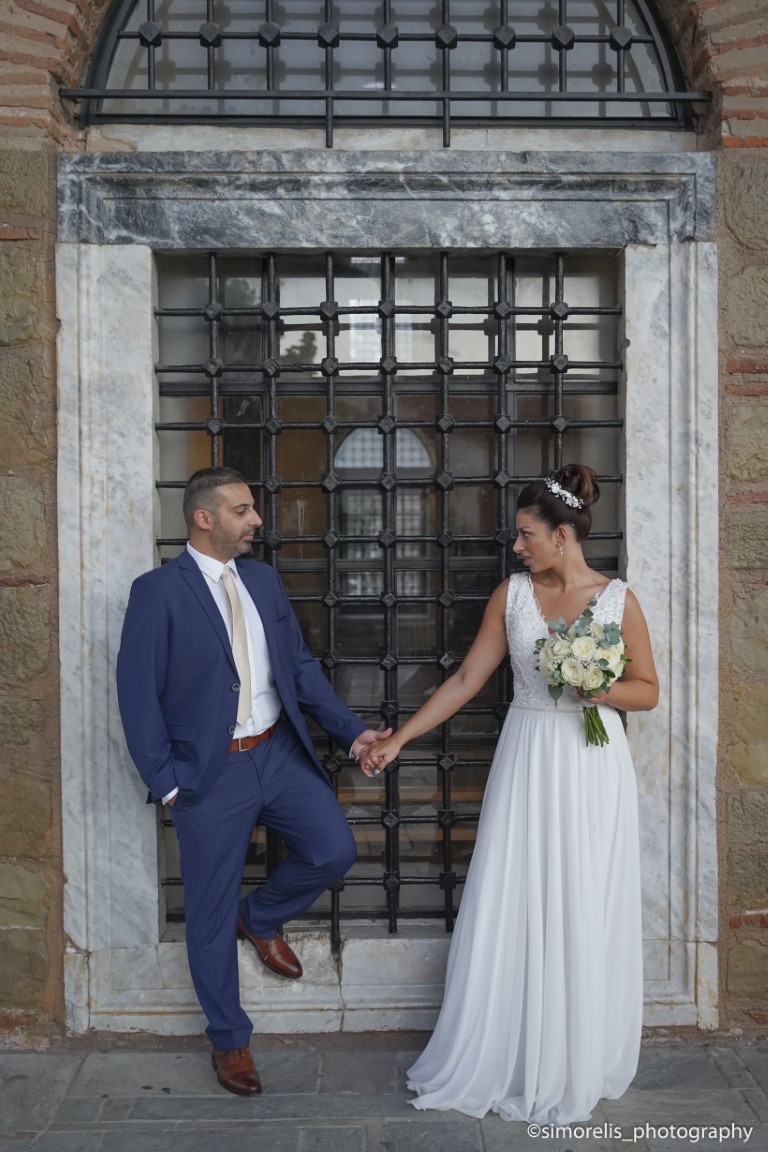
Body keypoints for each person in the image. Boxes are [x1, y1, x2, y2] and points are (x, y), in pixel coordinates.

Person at [362, 464, 659, 1124]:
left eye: (526, 534)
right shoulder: (512, 595)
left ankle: (574, 1053)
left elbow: (648, 690)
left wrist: (597, 688)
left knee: (582, 895)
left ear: (562, 536)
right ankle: (514, 1049)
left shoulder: (618, 600)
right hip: (527, 756)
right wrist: (401, 738)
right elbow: (466, 678)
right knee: (517, 891)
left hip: (592, 764)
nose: (517, 546)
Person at [116, 467, 390, 1097]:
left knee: (333, 849)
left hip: (277, 752)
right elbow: (136, 695)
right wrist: (168, 782)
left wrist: (353, 734)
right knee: (208, 915)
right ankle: (229, 1040)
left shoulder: (263, 580)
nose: (256, 520)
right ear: (203, 518)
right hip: (209, 774)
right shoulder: (157, 593)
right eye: (242, 510)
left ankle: (260, 916)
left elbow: (299, 669)